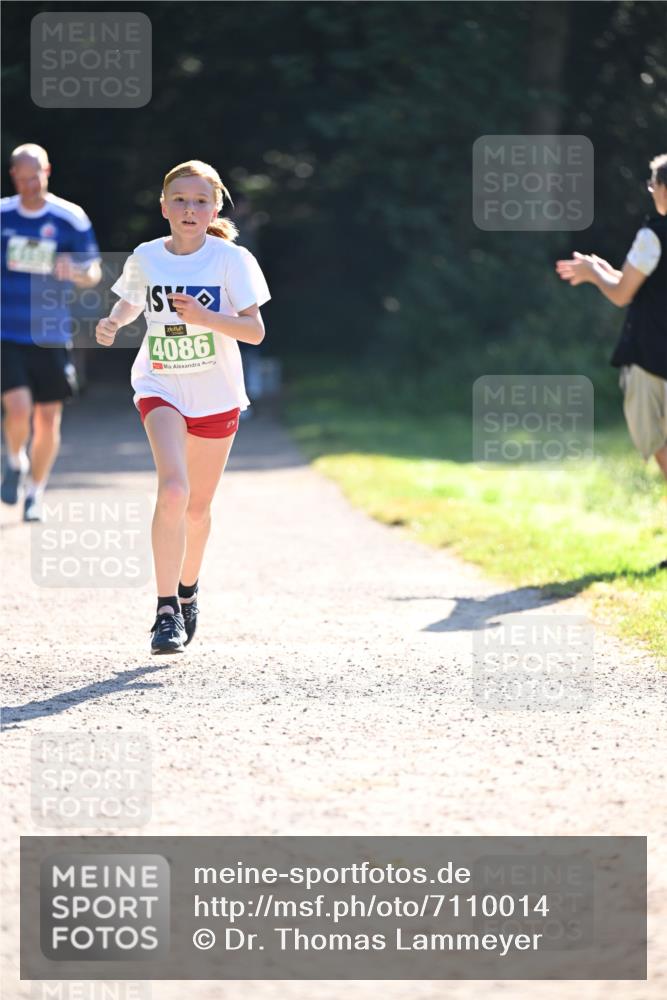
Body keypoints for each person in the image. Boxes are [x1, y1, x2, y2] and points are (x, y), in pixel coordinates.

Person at [95, 160, 270, 654]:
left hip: (216, 395)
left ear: (214, 207)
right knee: (172, 490)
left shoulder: (231, 260)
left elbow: (255, 332)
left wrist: (207, 315)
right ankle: (166, 610)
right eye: (180, 200)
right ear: (163, 207)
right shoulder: (147, 256)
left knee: (197, 508)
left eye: (200, 201)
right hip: (161, 385)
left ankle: (190, 590)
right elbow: (131, 302)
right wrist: (112, 322)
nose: (189, 209)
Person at [1, 143, 101, 521]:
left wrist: (73, 270)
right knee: (18, 409)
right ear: (13, 176)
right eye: (22, 179)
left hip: (51, 331)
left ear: (48, 171)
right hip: (6, 331)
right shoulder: (3, 215)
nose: (29, 185)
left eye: (36, 177)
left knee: (47, 418)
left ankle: (35, 493)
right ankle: (14, 460)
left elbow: (92, 274)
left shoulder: (69, 218)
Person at [555, 153, 667, 485]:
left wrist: (592, 275)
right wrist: (601, 269)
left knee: (657, 443)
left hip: (652, 359)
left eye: (653, 185)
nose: (651, 191)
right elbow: (644, 284)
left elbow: (622, 294)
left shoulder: (654, 236)